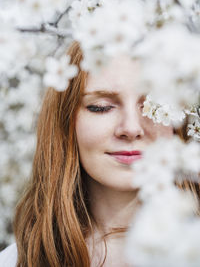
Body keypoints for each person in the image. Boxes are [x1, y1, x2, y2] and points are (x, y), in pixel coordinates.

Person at [0, 41, 191, 267]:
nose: (131, 128)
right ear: (67, 122)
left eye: (153, 106)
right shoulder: (16, 262)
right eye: (101, 107)